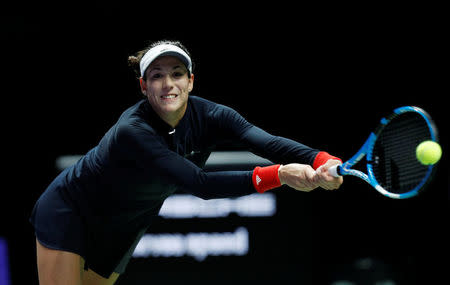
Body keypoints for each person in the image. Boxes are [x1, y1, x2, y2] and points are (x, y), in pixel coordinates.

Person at [30, 40, 343, 285]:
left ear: (191, 81)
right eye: (157, 76)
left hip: (125, 225)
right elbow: (200, 184)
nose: (168, 83)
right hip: (71, 210)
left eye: (177, 74)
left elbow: (268, 143)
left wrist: (323, 159)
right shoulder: (132, 130)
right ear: (143, 86)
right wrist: (281, 175)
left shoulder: (214, 116)